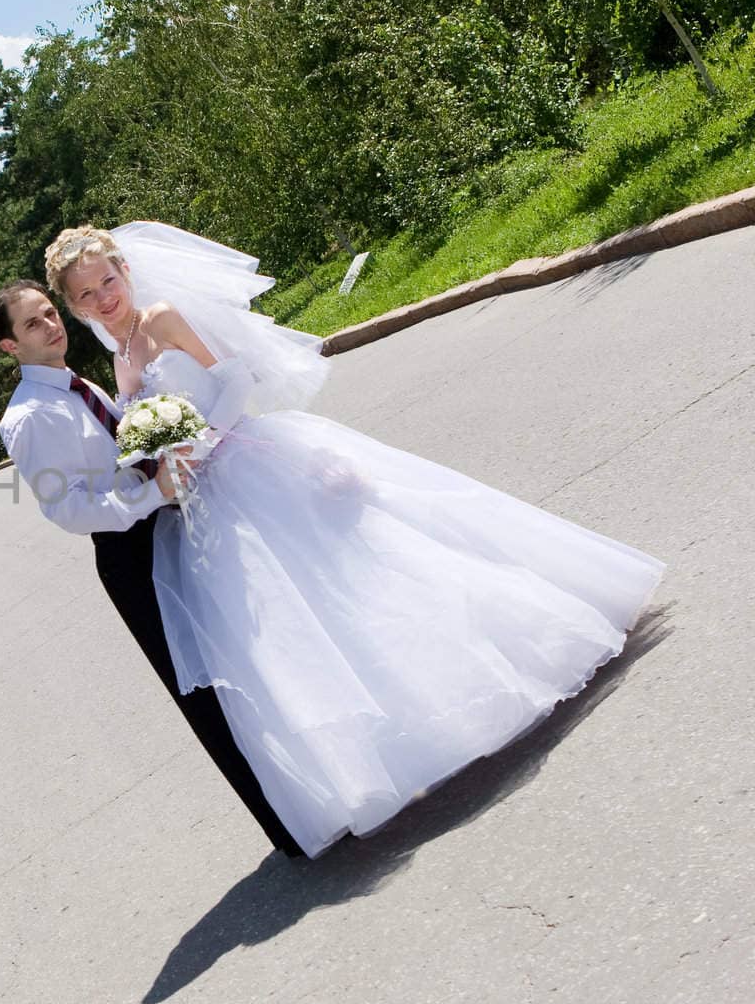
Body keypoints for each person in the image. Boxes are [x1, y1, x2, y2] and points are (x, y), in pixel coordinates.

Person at [43, 222, 667, 859]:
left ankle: (503, 658)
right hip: (207, 504)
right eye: (86, 294)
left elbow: (233, 383)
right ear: (73, 306)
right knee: (297, 626)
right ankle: (393, 741)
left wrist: (200, 443)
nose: (102, 298)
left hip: (250, 464)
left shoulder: (164, 317)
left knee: (364, 572)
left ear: (126, 271)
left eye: (108, 281)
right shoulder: (117, 359)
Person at [0, 279, 307, 858]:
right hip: (129, 554)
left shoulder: (78, 385)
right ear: (10, 347)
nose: (51, 326)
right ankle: (289, 826)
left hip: (169, 529)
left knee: (237, 657)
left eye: (49, 313)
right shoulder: (30, 417)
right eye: (31, 324)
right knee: (203, 690)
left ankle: (307, 786)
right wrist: (150, 494)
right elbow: (67, 508)